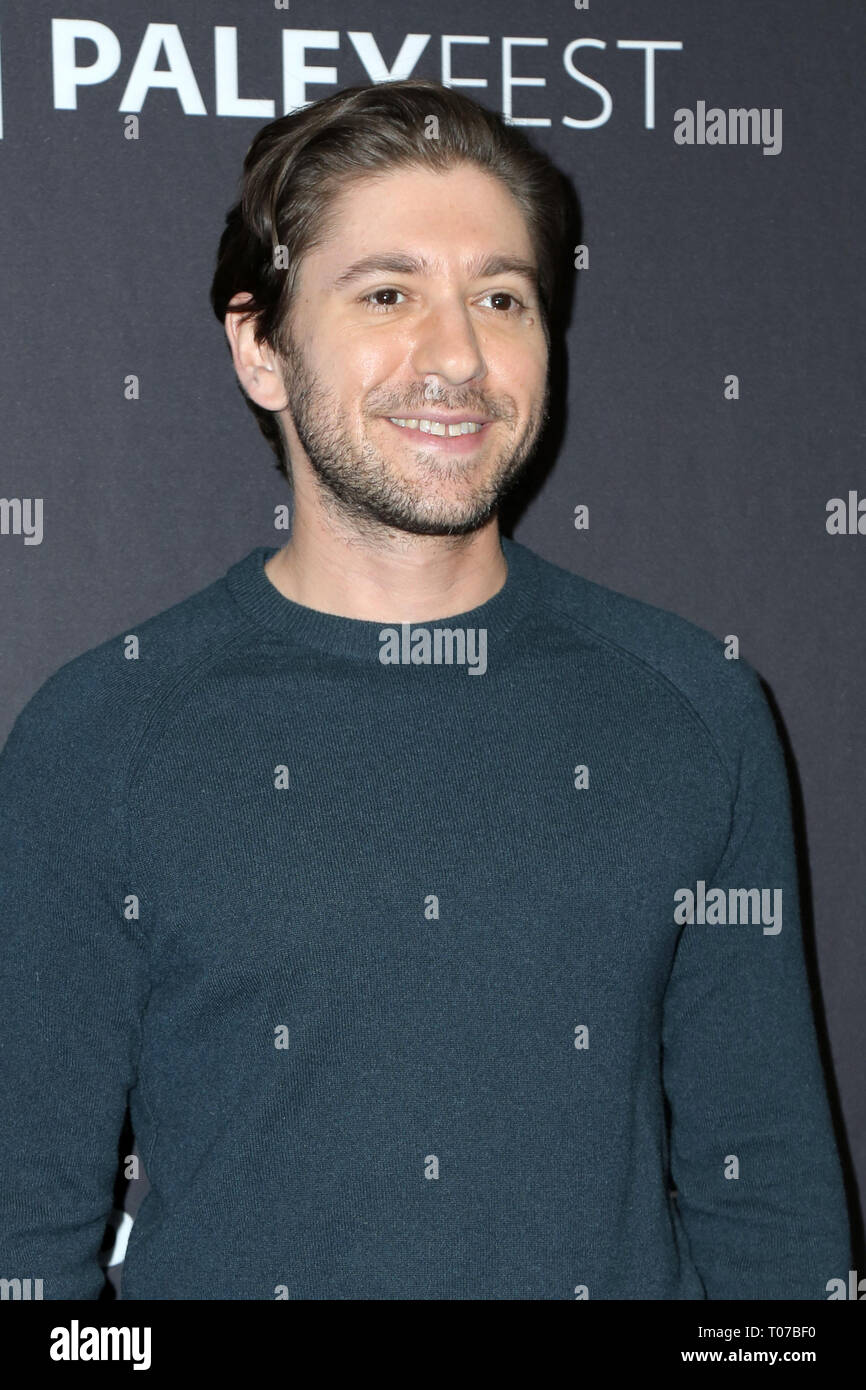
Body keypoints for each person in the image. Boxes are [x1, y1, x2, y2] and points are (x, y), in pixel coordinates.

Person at [0, 79, 850, 1300]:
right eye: (387, 293)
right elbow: (25, 1240)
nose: (455, 355)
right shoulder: (101, 732)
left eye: (500, 297)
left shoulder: (691, 706)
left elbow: (765, 1197)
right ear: (260, 347)